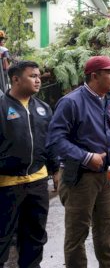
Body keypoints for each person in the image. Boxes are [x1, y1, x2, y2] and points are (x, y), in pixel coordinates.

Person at [47, 56, 110, 268]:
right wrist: (85, 156)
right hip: (79, 179)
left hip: (106, 177)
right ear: (95, 76)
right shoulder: (71, 102)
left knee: (105, 233)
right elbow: (55, 139)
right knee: (77, 236)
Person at [0, 61, 58, 268]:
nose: (38, 79)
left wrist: (56, 170)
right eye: (32, 76)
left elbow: (50, 143)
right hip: (6, 186)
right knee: (2, 239)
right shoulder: (2, 107)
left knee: (34, 238)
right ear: (15, 79)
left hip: (37, 183)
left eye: (38, 76)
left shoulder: (43, 108)